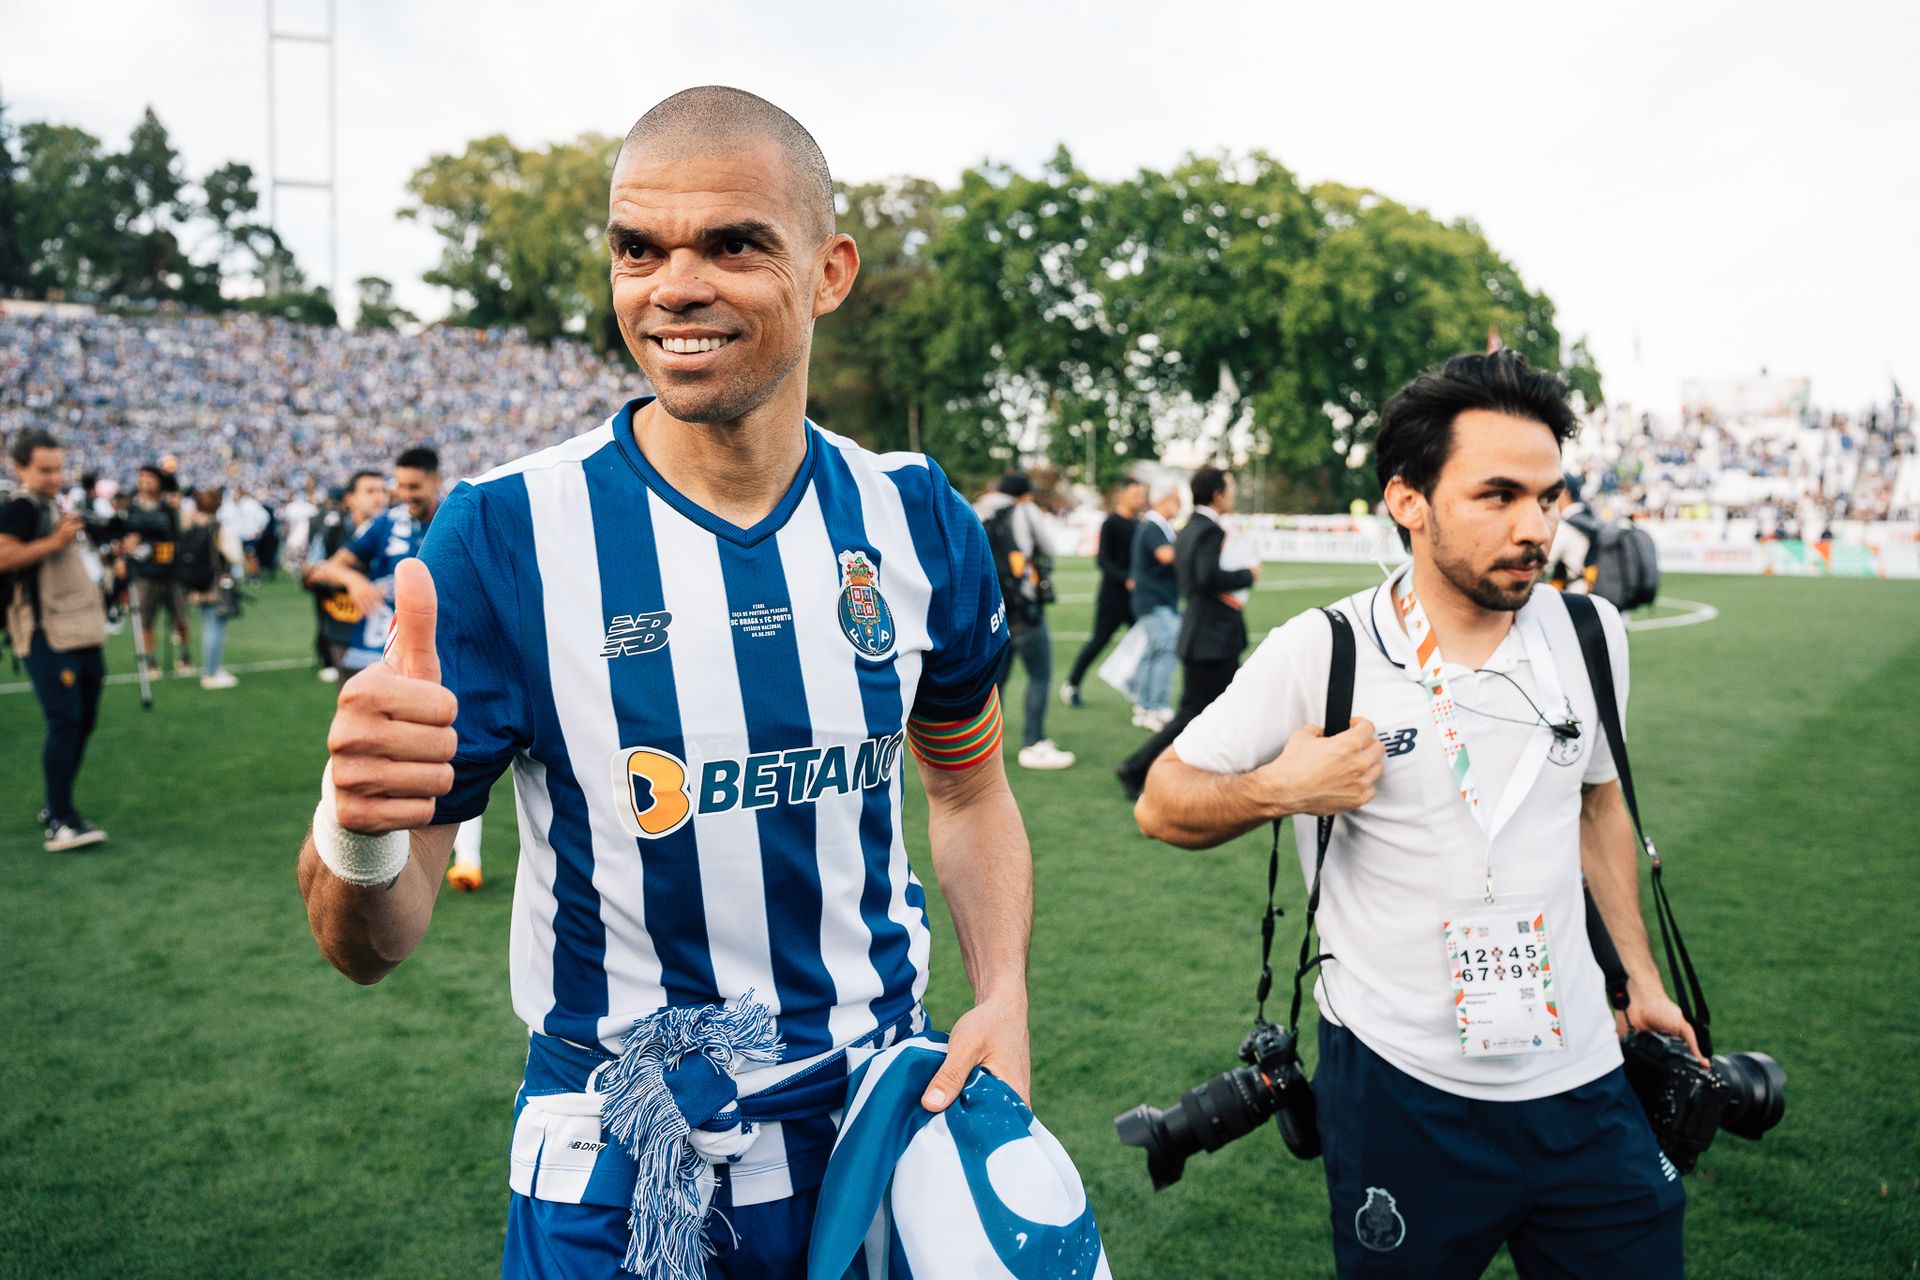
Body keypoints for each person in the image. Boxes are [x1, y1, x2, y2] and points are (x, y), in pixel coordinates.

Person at [293, 85, 1035, 1279]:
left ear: (830, 272)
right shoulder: (506, 534)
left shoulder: (914, 514)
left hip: (881, 1132)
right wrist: (361, 828)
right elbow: (368, 945)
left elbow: (969, 788)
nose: (674, 285)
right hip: (619, 1166)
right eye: (639, 249)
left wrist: (1003, 993)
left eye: (733, 244)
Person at [1136, 351, 1699, 1278]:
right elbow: (1162, 800)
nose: (1536, 529)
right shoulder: (1324, 650)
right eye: (1498, 496)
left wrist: (1640, 977)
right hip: (1400, 1086)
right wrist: (1282, 788)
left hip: (1585, 1078)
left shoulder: (1592, 635)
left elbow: (1598, 805)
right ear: (1409, 501)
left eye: (1549, 498)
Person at [307, 448, 485, 889]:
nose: (405, 494)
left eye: (414, 486)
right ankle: (369, 856)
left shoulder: (459, 519)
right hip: (372, 658)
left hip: (442, 656)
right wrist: (354, 579)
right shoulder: (385, 524)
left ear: (435, 481)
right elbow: (328, 568)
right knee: (368, 752)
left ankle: (466, 859)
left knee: (454, 750)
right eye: (400, 485)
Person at [1114, 466, 1257, 798]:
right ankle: (1136, 767)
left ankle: (1194, 771)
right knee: (1196, 714)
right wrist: (1247, 575)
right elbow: (1207, 577)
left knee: (1212, 712)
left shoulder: (1189, 527)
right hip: (1212, 636)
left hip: (1201, 633)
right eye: (1230, 488)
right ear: (1218, 495)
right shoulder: (1208, 530)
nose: (1233, 494)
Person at [1, 428, 110, 851]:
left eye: (58, 469)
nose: (53, 478)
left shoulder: (48, 503)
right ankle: (60, 821)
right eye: (44, 470)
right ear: (20, 468)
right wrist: (55, 541)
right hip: (47, 631)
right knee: (65, 720)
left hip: (78, 629)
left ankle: (58, 806)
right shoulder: (21, 506)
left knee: (81, 721)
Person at [976, 472, 1075, 770]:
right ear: (1023, 494)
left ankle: (985, 744)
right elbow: (1049, 549)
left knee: (996, 679)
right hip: (1022, 604)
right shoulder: (1024, 510)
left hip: (989, 608)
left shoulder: (976, 509)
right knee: (1040, 673)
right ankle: (1033, 743)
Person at [1060, 478, 1145, 708]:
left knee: (1145, 641)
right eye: (1136, 494)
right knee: (1099, 641)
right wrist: (1126, 578)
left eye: (1142, 495)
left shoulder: (1140, 524)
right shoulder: (1111, 523)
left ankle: (1139, 690)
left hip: (1136, 598)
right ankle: (1072, 684)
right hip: (1113, 597)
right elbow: (1103, 560)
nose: (1140, 499)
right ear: (1122, 495)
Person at [302, 471, 386, 682]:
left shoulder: (396, 529)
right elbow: (310, 574)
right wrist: (346, 578)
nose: (379, 497)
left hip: (384, 632)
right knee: (351, 694)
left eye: (382, 491)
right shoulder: (333, 528)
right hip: (343, 627)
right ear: (350, 499)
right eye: (370, 491)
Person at [124, 463, 193, 676]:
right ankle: (150, 661)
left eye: (149, 478)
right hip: (144, 574)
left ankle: (185, 655)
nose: (145, 482)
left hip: (171, 573)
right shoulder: (132, 509)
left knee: (181, 618)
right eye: (142, 478)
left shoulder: (168, 509)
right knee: (146, 621)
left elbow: (179, 536)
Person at [1127, 479, 1183, 730]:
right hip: (1155, 600)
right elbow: (1167, 556)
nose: (1179, 505)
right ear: (1163, 500)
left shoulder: (1158, 526)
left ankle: (1143, 704)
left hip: (1157, 600)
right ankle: (1156, 707)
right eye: (1175, 500)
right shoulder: (1153, 527)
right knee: (1166, 649)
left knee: (1154, 651)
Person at [178, 486, 245, 689]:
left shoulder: (191, 525)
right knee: (215, 628)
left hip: (197, 583)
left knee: (208, 625)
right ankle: (211, 672)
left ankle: (212, 669)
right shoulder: (219, 527)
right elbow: (234, 556)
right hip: (216, 583)